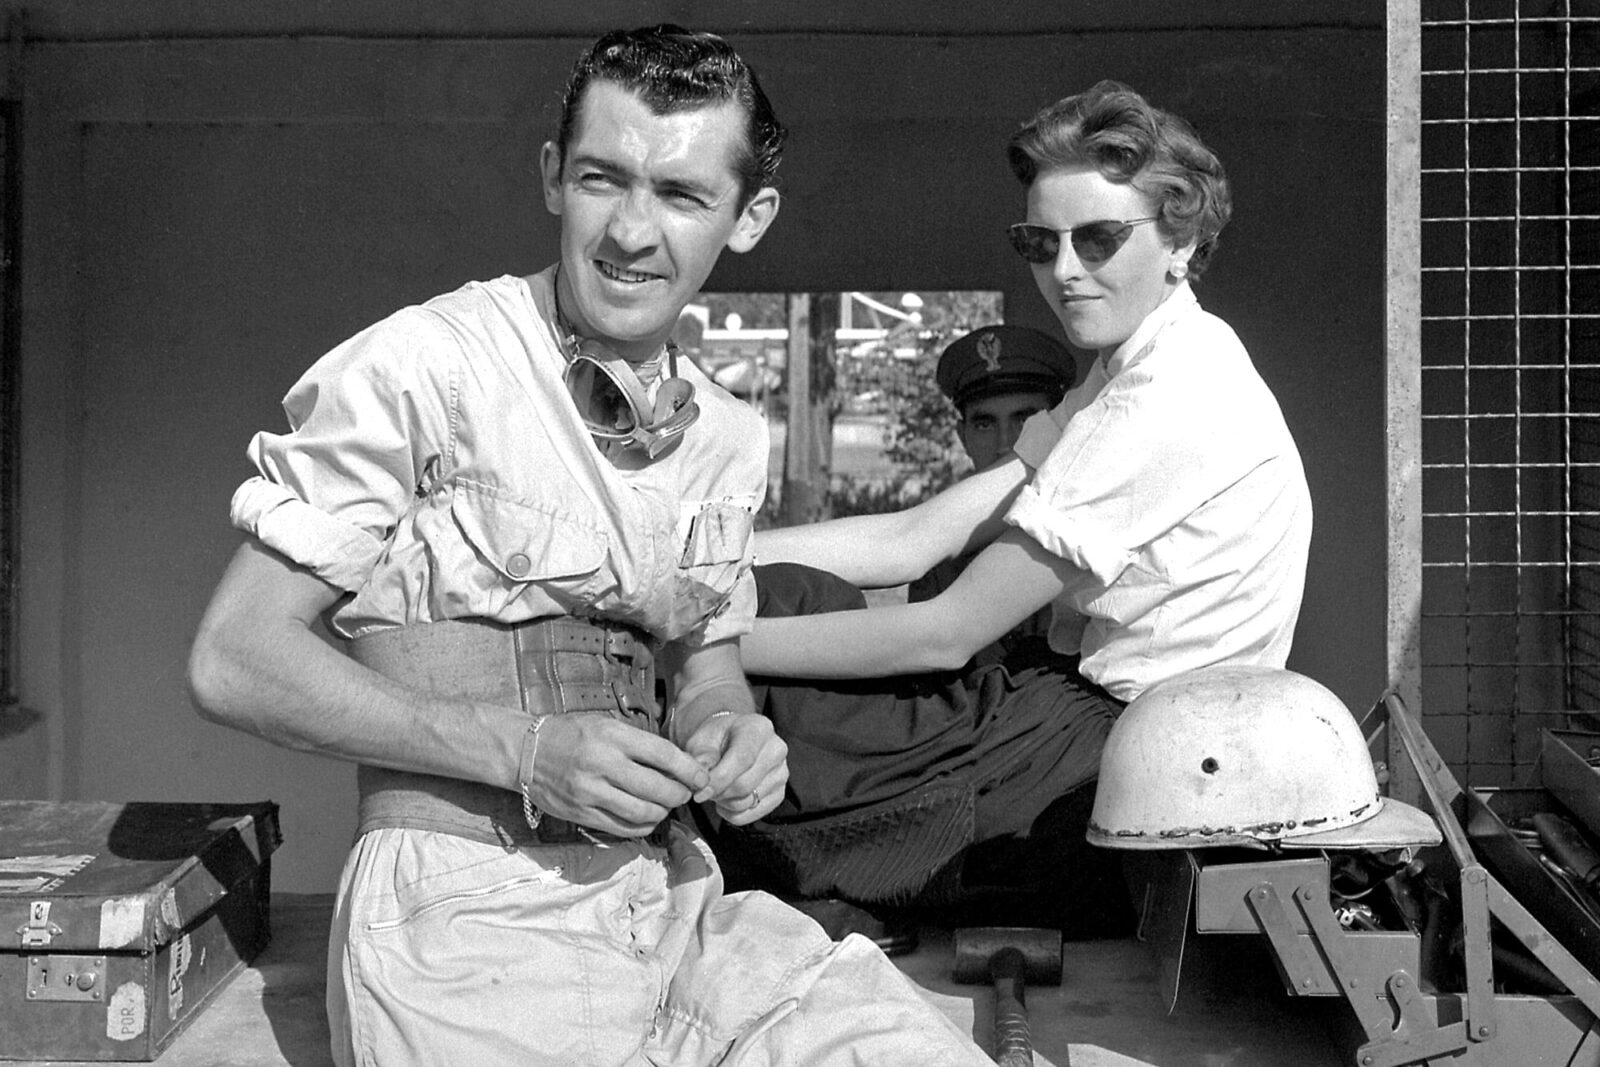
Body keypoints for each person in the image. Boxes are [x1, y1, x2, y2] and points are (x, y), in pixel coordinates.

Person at [186, 25, 991, 1067]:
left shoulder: (727, 433)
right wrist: (524, 751)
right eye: (605, 179)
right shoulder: (430, 365)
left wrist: (733, 736)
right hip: (466, 926)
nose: (631, 232)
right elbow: (234, 657)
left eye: (682, 195)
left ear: (749, 218)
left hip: (674, 902)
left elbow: (706, 670)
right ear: (554, 176)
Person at [725, 80, 1312, 936]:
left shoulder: (1172, 394)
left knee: (779, 688)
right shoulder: (1137, 367)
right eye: (1041, 242)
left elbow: (947, 628)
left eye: (1100, 239)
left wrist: (699, 633)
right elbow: (916, 536)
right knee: (784, 595)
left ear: (1179, 240)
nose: (1065, 271)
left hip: (1113, 760)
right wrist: (710, 562)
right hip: (1079, 719)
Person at [906, 324, 1078, 675]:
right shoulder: (940, 551)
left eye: (1025, 420)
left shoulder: (1091, 521)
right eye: (985, 424)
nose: (1006, 443)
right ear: (963, 437)